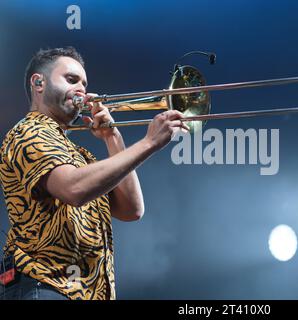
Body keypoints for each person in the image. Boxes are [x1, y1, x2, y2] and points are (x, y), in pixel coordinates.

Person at [0, 47, 189, 300]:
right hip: (45, 287)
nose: (82, 89)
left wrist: (113, 137)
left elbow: (132, 210)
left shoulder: (81, 156)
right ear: (38, 82)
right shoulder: (28, 131)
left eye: (84, 83)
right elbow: (73, 189)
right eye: (71, 79)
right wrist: (149, 143)